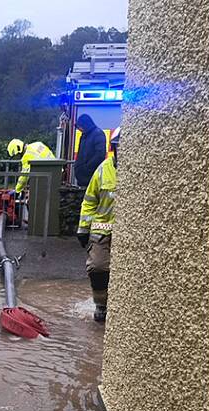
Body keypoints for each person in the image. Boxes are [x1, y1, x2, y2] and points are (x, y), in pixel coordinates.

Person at [76, 126, 119, 323]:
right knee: (97, 267)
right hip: (102, 232)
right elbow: (89, 201)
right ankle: (101, 305)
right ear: (114, 148)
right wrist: (83, 229)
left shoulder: (140, 172)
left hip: (128, 235)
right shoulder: (103, 170)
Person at [73, 114, 107, 188]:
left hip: (91, 177)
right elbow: (80, 154)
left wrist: (87, 168)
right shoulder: (84, 136)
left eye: (80, 127)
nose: (80, 129)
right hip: (82, 178)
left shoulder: (98, 134)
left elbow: (100, 155)